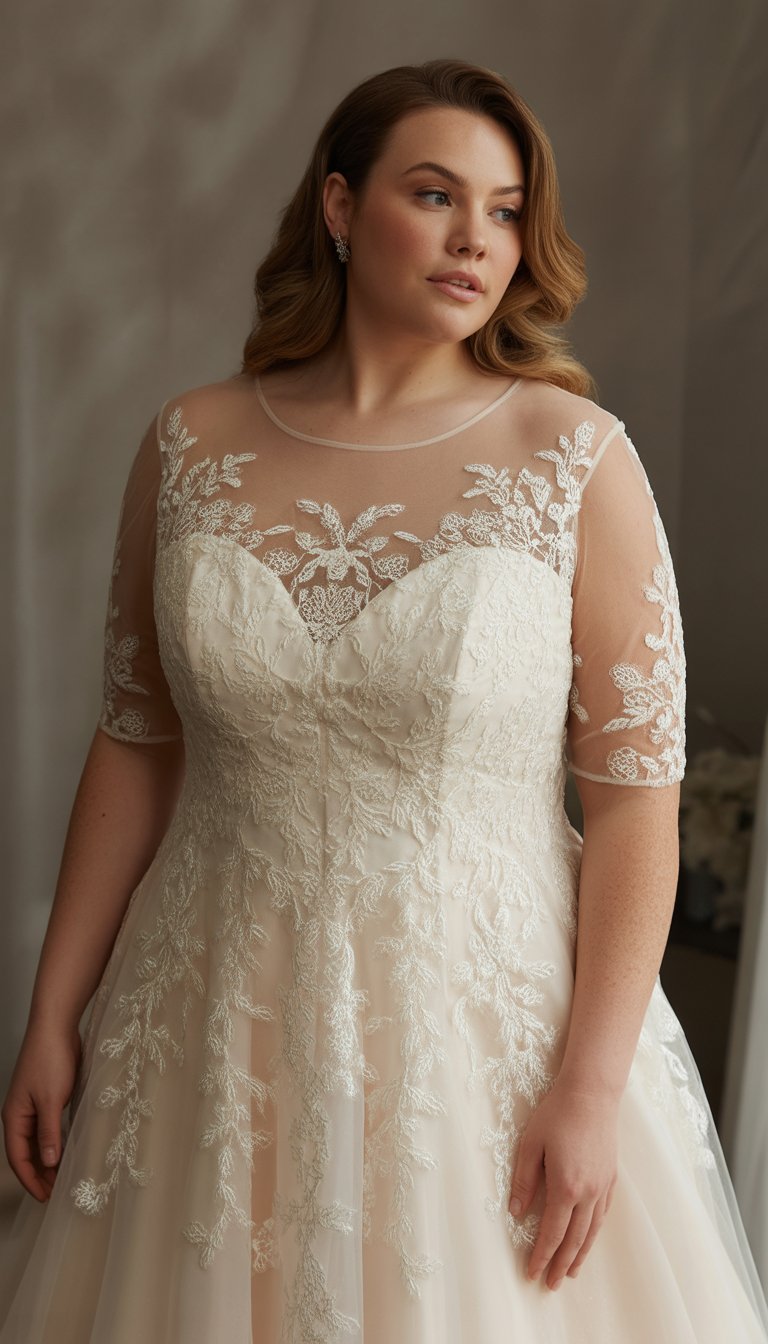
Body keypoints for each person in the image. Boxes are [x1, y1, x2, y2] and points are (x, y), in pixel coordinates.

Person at [0, 56, 766, 1344]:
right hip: (208, 1018)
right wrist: (51, 1013)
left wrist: (588, 1089)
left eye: (509, 210)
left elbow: (637, 808)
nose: (479, 240)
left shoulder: (575, 458)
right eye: (437, 195)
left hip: (480, 1039)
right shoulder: (190, 443)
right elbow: (136, 747)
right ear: (341, 209)